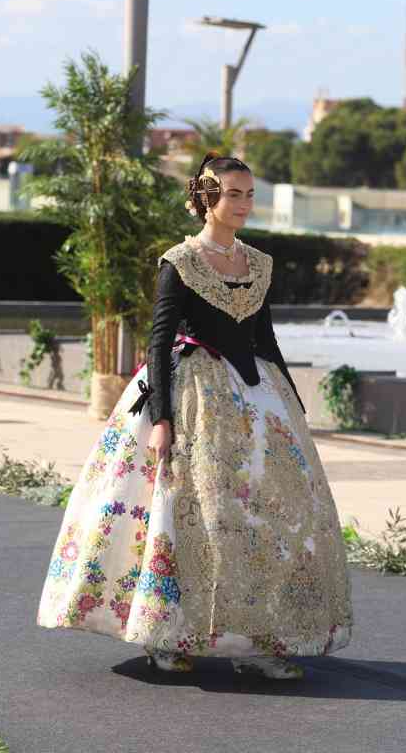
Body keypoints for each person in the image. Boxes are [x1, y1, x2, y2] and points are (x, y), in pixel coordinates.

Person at [36, 152, 354, 680]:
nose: (244, 204)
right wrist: (161, 419)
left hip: (256, 401)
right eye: (233, 194)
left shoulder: (260, 263)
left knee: (263, 517)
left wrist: (294, 409)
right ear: (206, 199)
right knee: (184, 513)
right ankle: (164, 634)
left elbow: (266, 340)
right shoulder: (180, 262)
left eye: (249, 194)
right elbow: (159, 341)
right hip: (192, 398)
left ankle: (256, 641)